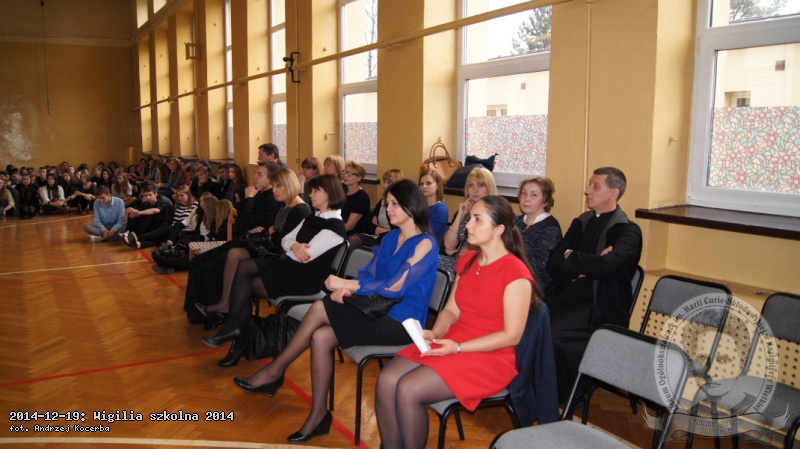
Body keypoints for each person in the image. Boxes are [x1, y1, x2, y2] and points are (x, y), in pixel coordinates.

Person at [230, 179, 439, 444]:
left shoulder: (425, 243)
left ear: (412, 206)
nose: (388, 209)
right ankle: (318, 414)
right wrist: (350, 290)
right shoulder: (391, 238)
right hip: (377, 309)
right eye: (387, 204)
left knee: (320, 307)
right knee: (320, 337)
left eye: (395, 204)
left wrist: (349, 285)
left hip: (402, 322)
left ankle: (275, 370)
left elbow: (396, 286)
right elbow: (370, 275)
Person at [375, 195, 534, 449]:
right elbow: (451, 310)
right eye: (470, 218)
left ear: (499, 230)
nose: (468, 225)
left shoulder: (516, 272)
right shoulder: (468, 260)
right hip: (453, 340)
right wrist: (435, 332)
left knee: (408, 388)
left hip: (490, 355)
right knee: (386, 379)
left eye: (477, 220)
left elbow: (511, 336)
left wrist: (458, 348)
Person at [199, 174, 343, 366]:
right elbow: (285, 240)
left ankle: (234, 332)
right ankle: (237, 339)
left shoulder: (334, 227)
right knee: (245, 282)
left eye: (316, 191)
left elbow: (303, 256)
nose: (310, 195)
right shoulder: (313, 216)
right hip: (291, 269)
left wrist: (293, 247)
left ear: (330, 193)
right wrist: (294, 245)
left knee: (245, 269)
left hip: (304, 279)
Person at [545, 167, 642, 403]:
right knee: (525, 322)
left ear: (614, 193)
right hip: (566, 293)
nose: (587, 190)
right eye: (589, 184)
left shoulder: (628, 231)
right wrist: (589, 262)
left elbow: (604, 267)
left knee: (555, 335)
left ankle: (569, 396)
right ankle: (532, 387)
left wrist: (572, 256)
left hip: (599, 303)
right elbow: (553, 263)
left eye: (595, 186)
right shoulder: (581, 222)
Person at [201, 168, 312, 316]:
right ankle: (225, 303)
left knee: (242, 269)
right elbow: (271, 228)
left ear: (289, 185)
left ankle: (236, 317)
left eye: (278, 186)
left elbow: (283, 241)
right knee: (234, 253)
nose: (274, 190)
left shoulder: (300, 210)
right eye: (274, 186)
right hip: (270, 247)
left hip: (280, 256)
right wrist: (265, 231)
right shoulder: (282, 204)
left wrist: (271, 232)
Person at [182, 162, 281, 325]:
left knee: (209, 268)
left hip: (252, 248)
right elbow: (241, 224)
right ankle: (194, 311)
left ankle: (216, 314)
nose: (254, 177)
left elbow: (244, 225)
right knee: (197, 261)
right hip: (242, 241)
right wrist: (248, 211)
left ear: (271, 179)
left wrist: (249, 200)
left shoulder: (270, 199)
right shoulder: (259, 195)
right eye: (255, 173)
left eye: (259, 174)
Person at [440, 166, 497, 277]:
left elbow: (481, 249)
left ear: (489, 188)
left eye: (480, 185)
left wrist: (454, 252)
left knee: (431, 266)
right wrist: (460, 215)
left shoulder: (494, 214)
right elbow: (448, 245)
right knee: (427, 260)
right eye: (471, 185)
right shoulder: (465, 210)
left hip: (475, 265)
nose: (475, 190)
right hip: (456, 260)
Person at [514, 177, 562, 291]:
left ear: (545, 201)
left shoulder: (550, 228)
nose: (526, 199)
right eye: (524, 193)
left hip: (534, 286)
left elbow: (535, 265)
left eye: (534, 195)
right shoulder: (515, 221)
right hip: (511, 277)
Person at [349, 169, 403, 249]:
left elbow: (398, 232)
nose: (384, 186)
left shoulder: (402, 206)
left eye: (388, 183)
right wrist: (382, 229)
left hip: (390, 241)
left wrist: (378, 228)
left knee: (374, 250)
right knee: (352, 240)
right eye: (384, 182)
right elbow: (368, 225)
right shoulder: (382, 202)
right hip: (376, 237)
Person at [124, 182, 173, 249]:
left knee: (156, 238)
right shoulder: (146, 201)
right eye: (146, 195)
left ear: (155, 194)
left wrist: (138, 213)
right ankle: (129, 234)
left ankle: (136, 239)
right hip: (153, 225)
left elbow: (154, 211)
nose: (148, 197)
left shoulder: (163, 201)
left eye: (150, 195)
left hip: (163, 227)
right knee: (134, 213)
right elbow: (138, 209)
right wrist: (132, 210)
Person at [418, 169, 449, 242]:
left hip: (428, 245)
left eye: (428, 183)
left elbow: (427, 235)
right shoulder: (418, 205)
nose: (424, 186)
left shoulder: (441, 210)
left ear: (437, 186)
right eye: (421, 184)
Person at [341, 161, 371, 235]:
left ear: (359, 178)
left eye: (350, 174)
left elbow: (349, 226)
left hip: (352, 234)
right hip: (339, 227)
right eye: (345, 172)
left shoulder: (361, 197)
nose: (345, 176)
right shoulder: (342, 190)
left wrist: (332, 232)